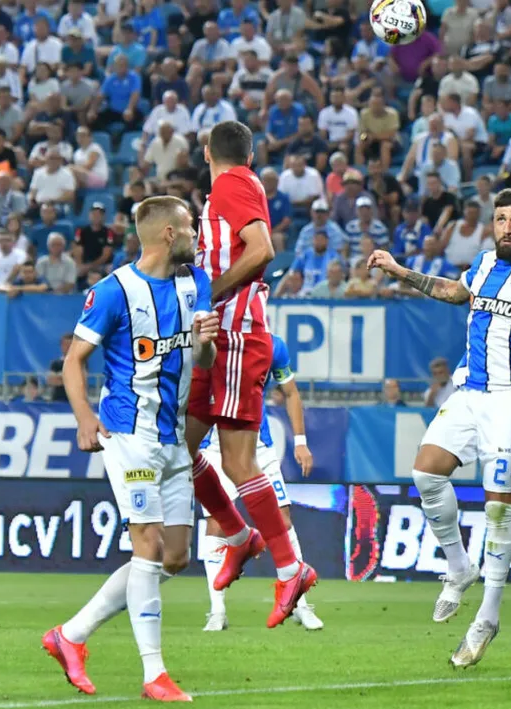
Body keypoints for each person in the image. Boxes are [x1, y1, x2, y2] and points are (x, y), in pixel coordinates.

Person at [365, 187, 511, 668]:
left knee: (499, 508)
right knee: (426, 471)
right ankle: (459, 566)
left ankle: (489, 615)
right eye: (500, 219)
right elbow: (452, 292)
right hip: (471, 391)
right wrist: (398, 270)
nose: (506, 227)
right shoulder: (481, 264)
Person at [42, 195, 216, 702]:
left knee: (177, 557)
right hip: (129, 436)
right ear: (168, 234)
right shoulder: (114, 291)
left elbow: (201, 358)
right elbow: (74, 361)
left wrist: (205, 340)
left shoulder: (195, 282)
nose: (196, 234)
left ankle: (69, 635)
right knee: (147, 548)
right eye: (190, 226)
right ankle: (154, 674)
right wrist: (83, 419)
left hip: (173, 437)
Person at [185, 120, 316, 629]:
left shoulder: (231, 183)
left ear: (206, 150)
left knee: (238, 464)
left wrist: (212, 292)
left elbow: (262, 250)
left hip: (236, 332)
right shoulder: (231, 188)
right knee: (178, 448)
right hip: (219, 334)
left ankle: (289, 567)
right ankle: (241, 538)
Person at [198, 334, 320, 631]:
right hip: (212, 444)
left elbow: (290, 392)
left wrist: (300, 442)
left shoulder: (273, 344)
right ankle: (217, 610)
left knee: (283, 519)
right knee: (216, 523)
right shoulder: (209, 341)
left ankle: (300, 605)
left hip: (258, 445)